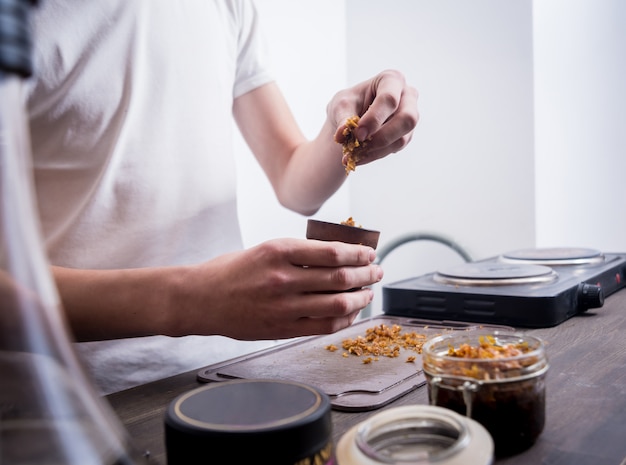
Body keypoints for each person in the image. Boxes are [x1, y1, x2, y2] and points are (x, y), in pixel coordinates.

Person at [26, 0, 419, 395]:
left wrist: (349, 128)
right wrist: (193, 300)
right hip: (68, 394)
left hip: (220, 369)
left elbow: (292, 177)